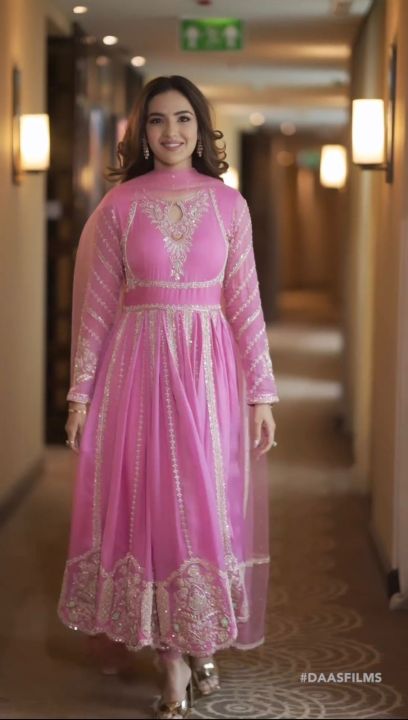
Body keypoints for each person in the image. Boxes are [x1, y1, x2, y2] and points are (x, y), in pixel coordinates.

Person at [60, 74, 279, 719]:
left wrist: (262, 393)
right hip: (136, 373)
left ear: (201, 128)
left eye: (183, 118)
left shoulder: (229, 206)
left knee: (205, 504)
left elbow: (245, 302)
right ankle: (173, 661)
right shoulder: (120, 207)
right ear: (141, 132)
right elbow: (97, 309)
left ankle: (199, 637)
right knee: (151, 505)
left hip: (210, 377)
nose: (171, 132)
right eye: (157, 120)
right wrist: (80, 395)